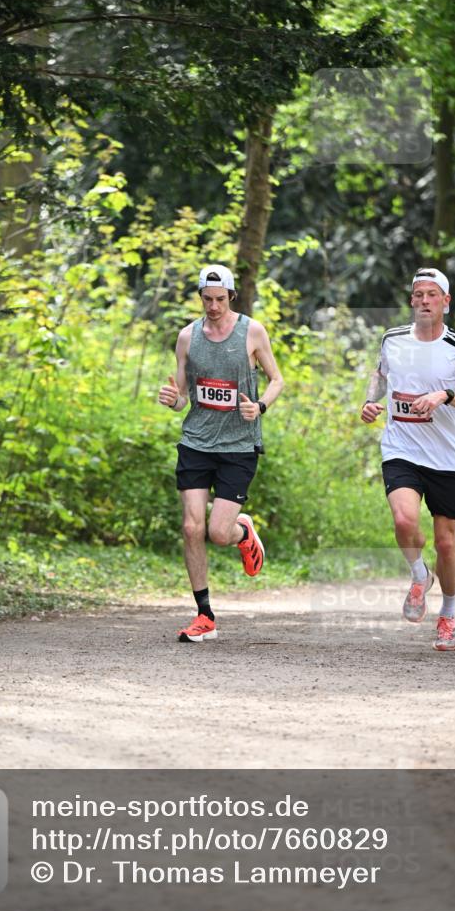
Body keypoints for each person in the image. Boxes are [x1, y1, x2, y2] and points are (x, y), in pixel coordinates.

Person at [361, 267, 455, 652]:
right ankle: (419, 576)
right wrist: (371, 400)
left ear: (445, 302)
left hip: (447, 457)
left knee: (446, 544)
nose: (423, 301)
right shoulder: (393, 339)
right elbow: (380, 374)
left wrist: (446, 397)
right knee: (403, 519)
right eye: (418, 295)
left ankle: (448, 615)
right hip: (401, 447)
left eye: (432, 295)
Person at [158, 265, 284, 642]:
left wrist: (259, 406)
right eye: (206, 299)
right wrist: (173, 399)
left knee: (217, 531)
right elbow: (182, 396)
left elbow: (278, 379)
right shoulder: (187, 338)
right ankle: (205, 615)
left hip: (238, 447)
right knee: (191, 527)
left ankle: (243, 529)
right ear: (200, 297)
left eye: (219, 299)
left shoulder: (252, 332)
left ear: (231, 296)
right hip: (196, 442)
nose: (213, 306)